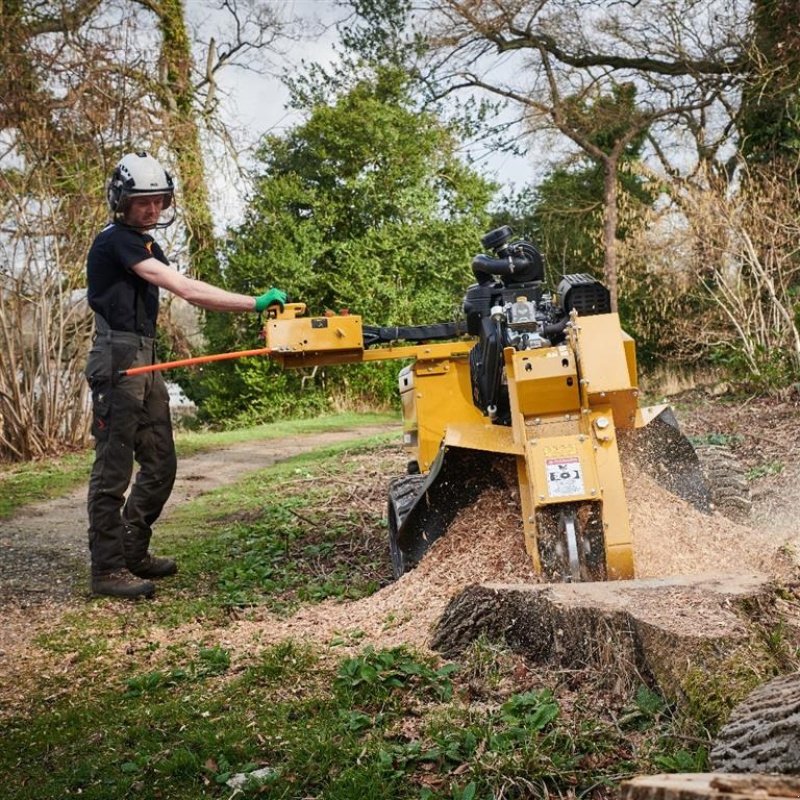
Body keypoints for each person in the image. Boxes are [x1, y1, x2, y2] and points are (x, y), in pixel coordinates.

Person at [85, 151, 286, 599]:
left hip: (146, 355)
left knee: (161, 463)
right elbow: (187, 290)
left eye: (159, 200)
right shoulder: (116, 240)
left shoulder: (145, 241)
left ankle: (133, 550)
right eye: (143, 202)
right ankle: (107, 568)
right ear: (122, 201)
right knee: (113, 469)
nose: (152, 209)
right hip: (117, 357)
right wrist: (253, 302)